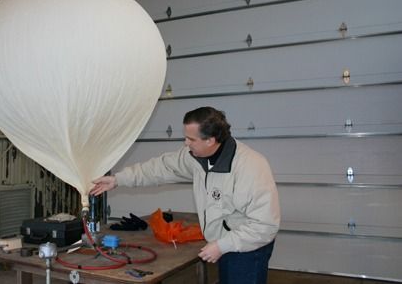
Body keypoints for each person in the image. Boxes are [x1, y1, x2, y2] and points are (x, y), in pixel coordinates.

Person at [90, 106, 280, 284]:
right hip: (224, 242)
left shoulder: (250, 167)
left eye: (191, 139)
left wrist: (222, 245)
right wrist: (118, 180)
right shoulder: (196, 157)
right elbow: (161, 168)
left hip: (247, 248)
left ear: (210, 140)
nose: (185, 143)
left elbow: (264, 225)